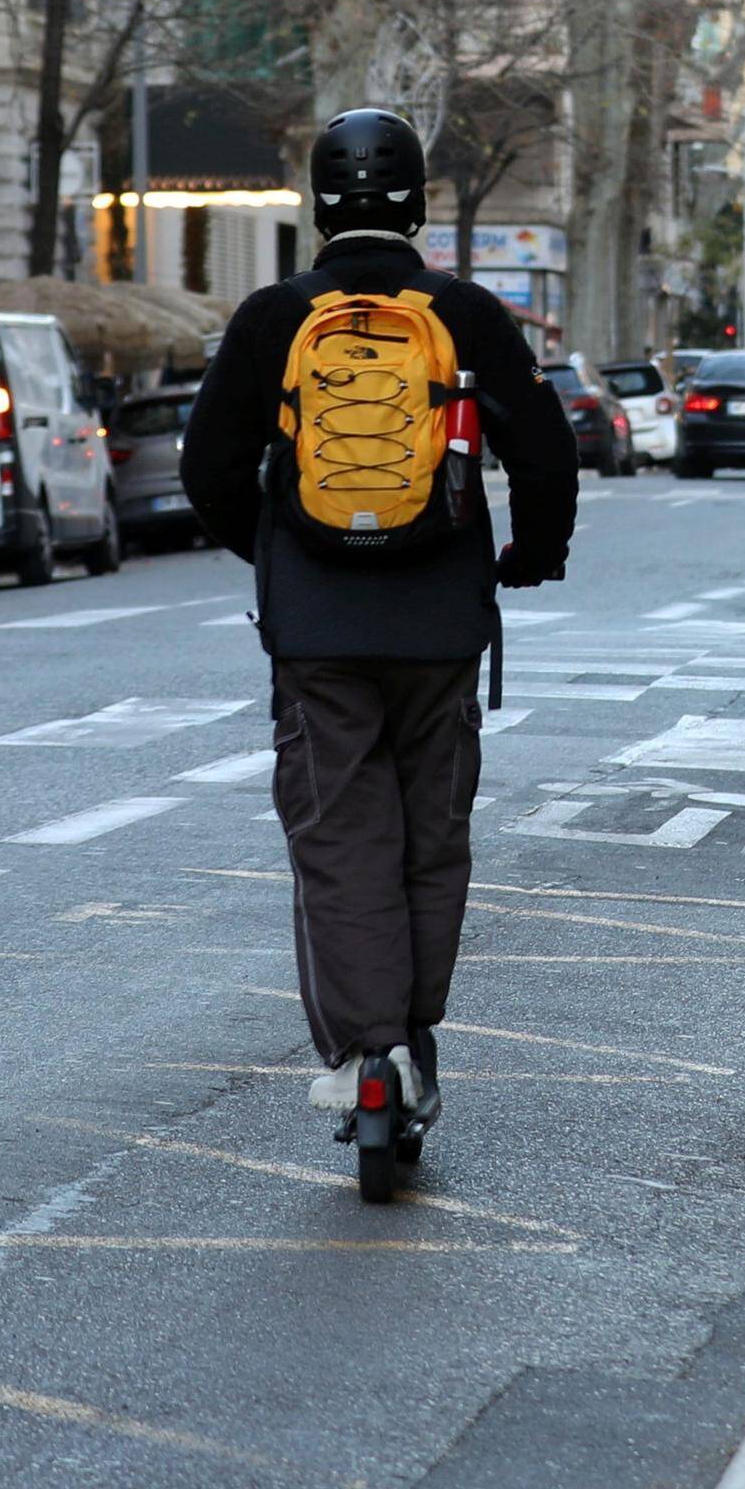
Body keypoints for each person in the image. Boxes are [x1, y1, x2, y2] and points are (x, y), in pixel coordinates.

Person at [177, 109, 580, 1137]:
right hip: (440, 621)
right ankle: (413, 1041)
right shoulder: (467, 313)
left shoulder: (273, 317)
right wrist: (526, 561)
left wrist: (274, 551)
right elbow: (544, 455)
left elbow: (207, 470)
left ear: (318, 208)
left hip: (315, 631)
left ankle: (372, 1050)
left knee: (339, 836)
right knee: (429, 838)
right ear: (420, 206)